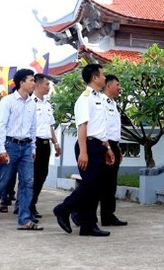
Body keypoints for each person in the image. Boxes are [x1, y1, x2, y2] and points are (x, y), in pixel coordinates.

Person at [53, 63, 112, 237]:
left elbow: (100, 128)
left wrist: (107, 147)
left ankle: (88, 225)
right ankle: (63, 209)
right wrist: (84, 152)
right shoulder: (85, 98)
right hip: (88, 145)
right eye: (102, 75)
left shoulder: (99, 97)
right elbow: (83, 127)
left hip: (99, 145)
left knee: (96, 187)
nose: (104, 78)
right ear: (94, 78)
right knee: (90, 184)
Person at [0, 69, 41, 231]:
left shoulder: (32, 103)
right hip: (10, 145)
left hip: (27, 147)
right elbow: (1, 125)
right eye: (31, 80)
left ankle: (24, 219)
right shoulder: (8, 101)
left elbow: (33, 127)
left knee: (27, 183)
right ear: (21, 82)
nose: (33, 83)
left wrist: (33, 148)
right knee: (2, 182)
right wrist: (1, 148)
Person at [29, 74, 61, 219]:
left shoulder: (47, 104)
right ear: (38, 84)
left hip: (45, 144)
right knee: (32, 177)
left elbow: (50, 126)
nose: (49, 87)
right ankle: (27, 206)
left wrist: (56, 143)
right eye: (47, 84)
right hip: (33, 143)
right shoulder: (29, 103)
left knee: (42, 175)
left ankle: (32, 203)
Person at [97, 74, 127, 227]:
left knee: (110, 183)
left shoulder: (113, 104)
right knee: (100, 183)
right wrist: (108, 148)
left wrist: (117, 149)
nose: (119, 87)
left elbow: (114, 130)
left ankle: (108, 215)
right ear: (108, 86)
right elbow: (102, 128)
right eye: (117, 84)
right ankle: (79, 212)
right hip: (104, 145)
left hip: (113, 145)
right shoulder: (101, 102)